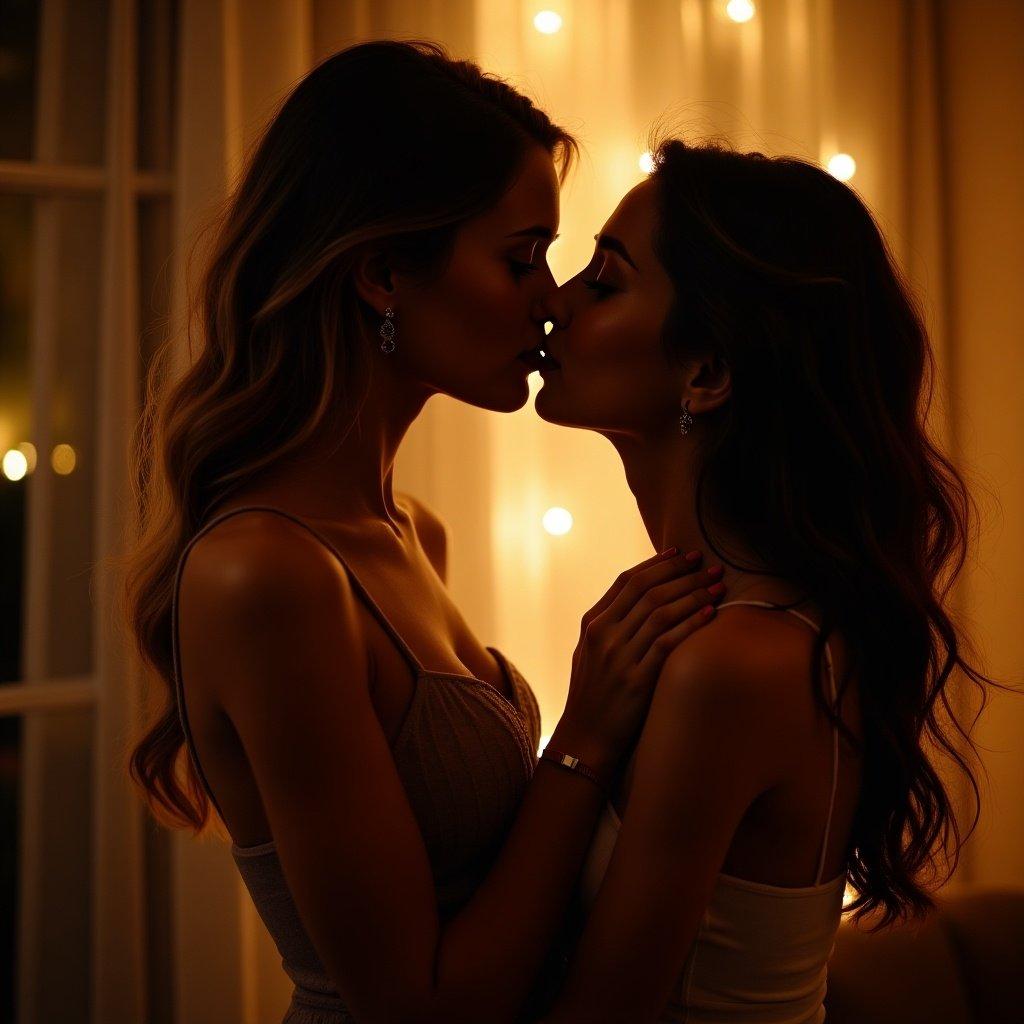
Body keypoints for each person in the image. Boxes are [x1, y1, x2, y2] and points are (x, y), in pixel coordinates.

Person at [123, 42, 725, 1024]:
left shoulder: (412, 532)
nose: (552, 301)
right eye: (520, 258)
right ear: (381, 274)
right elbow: (419, 1005)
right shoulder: (266, 573)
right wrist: (584, 735)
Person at [525, 135, 1000, 1023]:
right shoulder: (750, 624)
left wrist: (577, 742)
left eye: (604, 279)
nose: (553, 302)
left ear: (704, 373)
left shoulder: (734, 664)